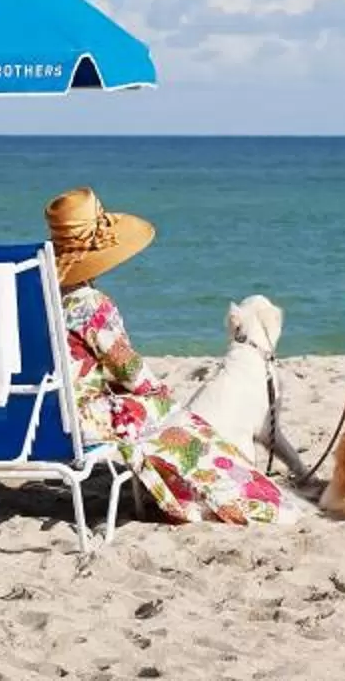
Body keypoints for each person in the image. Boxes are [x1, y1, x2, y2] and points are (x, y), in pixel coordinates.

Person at [44, 187, 297, 527]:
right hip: (76, 421)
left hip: (36, 418)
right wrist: (158, 393)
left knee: (155, 409)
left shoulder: (33, 298)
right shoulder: (91, 305)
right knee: (171, 415)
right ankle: (224, 499)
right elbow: (132, 372)